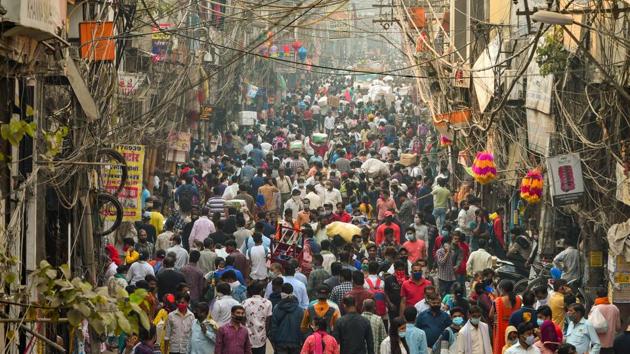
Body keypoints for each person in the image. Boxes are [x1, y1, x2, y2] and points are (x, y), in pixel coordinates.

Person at [270, 283, 305, 354]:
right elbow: (303, 328)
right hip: (296, 343)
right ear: (292, 292)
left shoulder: (277, 308)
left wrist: (273, 341)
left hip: (280, 343)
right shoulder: (300, 310)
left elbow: (273, 327)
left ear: (282, 293)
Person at [491, 280, 522, 354]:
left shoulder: (498, 300)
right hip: (515, 328)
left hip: (501, 330)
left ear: (502, 289)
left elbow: (491, 315)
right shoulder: (519, 299)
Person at [242, 282, 273, 354]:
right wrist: (266, 334)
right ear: (261, 291)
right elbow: (268, 322)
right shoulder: (268, 303)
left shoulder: (244, 303)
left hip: (247, 337)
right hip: (261, 337)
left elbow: (242, 321)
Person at [590, 288, 621, 354]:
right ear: (607, 295)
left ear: (597, 295)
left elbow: (589, 326)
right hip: (610, 344)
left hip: (596, 345)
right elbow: (618, 327)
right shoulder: (614, 308)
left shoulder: (595, 308)